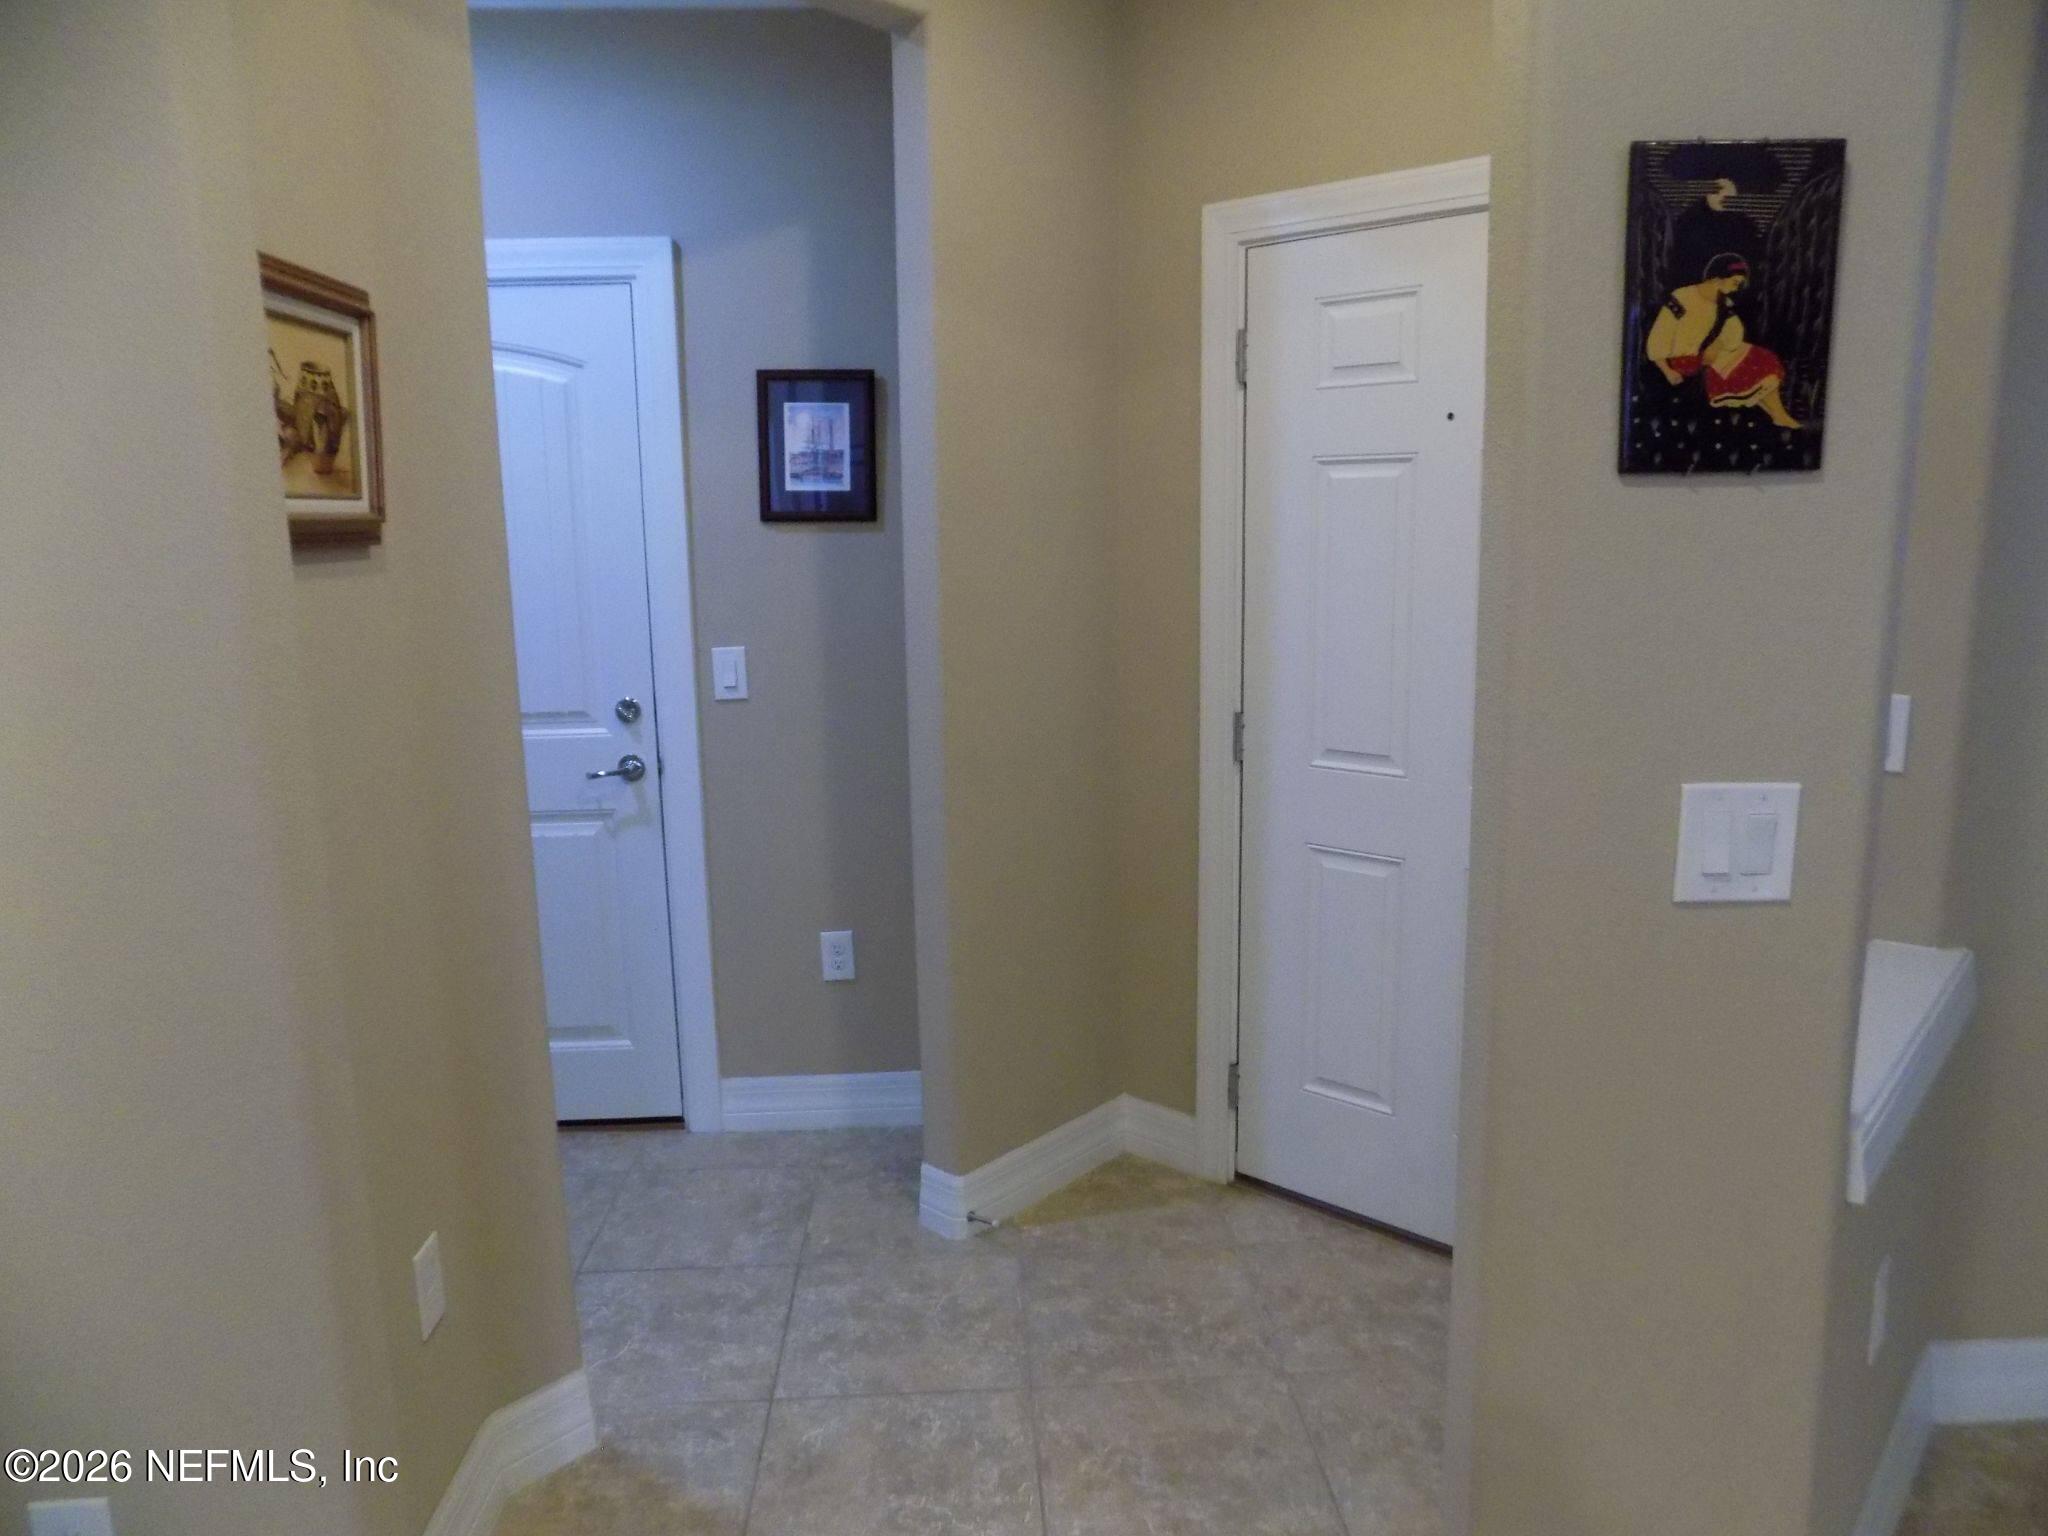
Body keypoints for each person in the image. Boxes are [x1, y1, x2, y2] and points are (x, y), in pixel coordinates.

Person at [1644, 253, 1802, 429]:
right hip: (1683, 360)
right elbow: (1660, 335)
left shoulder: (1724, 303)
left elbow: (1735, 333)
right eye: (1735, 283)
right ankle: (1779, 415)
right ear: (1718, 278)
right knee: (1755, 363)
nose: (1736, 288)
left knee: (1762, 358)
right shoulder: (1683, 297)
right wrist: (1667, 371)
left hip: (1712, 354)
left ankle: (1777, 415)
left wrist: (1717, 345)